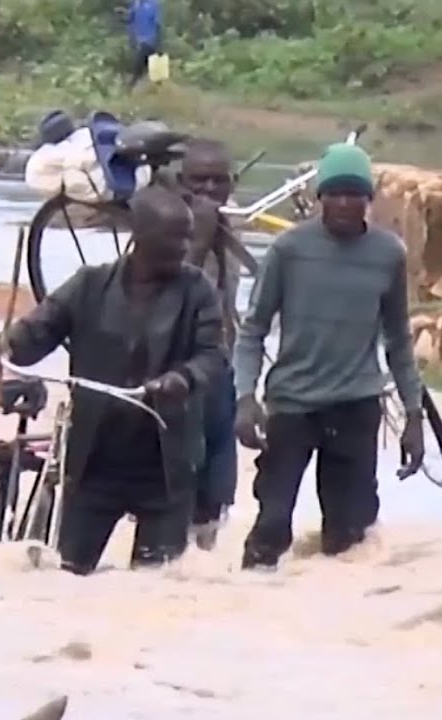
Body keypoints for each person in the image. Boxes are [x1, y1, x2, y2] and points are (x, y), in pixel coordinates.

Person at [0, 185, 227, 576]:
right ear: (138, 236)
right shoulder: (89, 285)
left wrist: (183, 379)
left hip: (165, 460)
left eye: (187, 236)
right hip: (95, 458)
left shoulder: (198, 292)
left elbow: (213, 356)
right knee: (66, 574)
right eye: (173, 238)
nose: (184, 246)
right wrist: (2, 345)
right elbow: (40, 330)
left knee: (158, 584)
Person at [232, 143, 426, 571]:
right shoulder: (289, 250)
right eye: (333, 193)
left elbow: (397, 338)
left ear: (368, 200)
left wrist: (414, 415)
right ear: (319, 198)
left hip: (355, 409)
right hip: (292, 406)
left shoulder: (388, 254)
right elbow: (253, 330)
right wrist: (245, 398)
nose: (342, 203)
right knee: (272, 526)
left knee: (349, 539)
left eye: (353, 194)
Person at [174, 139, 247, 551]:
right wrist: (199, 237)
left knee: (219, 464)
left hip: (221, 358)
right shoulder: (172, 223)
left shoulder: (229, 220)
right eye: (198, 181)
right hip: (177, 362)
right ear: (181, 181)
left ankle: (203, 554)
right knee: (179, 463)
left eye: (218, 181)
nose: (208, 190)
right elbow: (176, 289)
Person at [124, 0, 161, 89]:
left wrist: (158, 43)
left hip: (149, 40)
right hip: (138, 41)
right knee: (150, 70)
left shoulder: (153, 4)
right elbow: (130, 20)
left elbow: (157, 24)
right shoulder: (136, 4)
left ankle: (130, 88)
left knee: (139, 66)